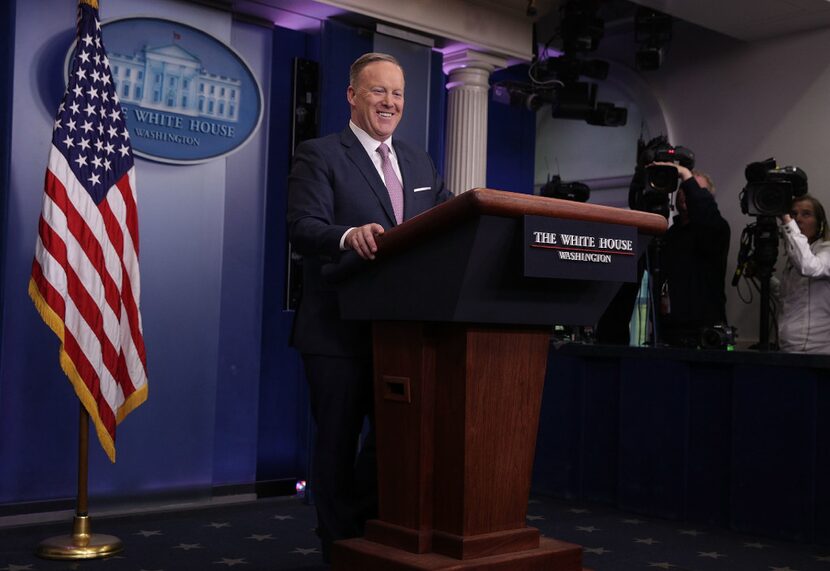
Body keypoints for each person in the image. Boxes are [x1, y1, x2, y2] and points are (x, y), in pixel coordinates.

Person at [286, 52, 451, 561]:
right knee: (335, 447)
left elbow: (446, 220)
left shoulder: (420, 162)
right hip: (337, 331)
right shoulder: (319, 154)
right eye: (379, 91)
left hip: (401, 332)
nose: (390, 102)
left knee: (394, 443)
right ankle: (338, 549)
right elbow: (301, 228)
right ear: (352, 95)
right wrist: (347, 235)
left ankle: (366, 537)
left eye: (398, 93)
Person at [653, 163, 731, 347]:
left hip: (706, 331)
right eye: (684, 188)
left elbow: (705, 216)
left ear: (708, 198)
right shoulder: (669, 234)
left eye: (695, 188)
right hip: (670, 330)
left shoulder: (717, 229)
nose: (688, 193)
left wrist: (685, 174)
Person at [776, 194, 830, 353]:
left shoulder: (826, 251)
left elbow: (810, 267)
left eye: (806, 214)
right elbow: (790, 295)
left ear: (819, 223)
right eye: (793, 214)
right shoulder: (796, 259)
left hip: (816, 351)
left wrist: (787, 221)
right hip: (790, 347)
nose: (798, 219)